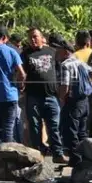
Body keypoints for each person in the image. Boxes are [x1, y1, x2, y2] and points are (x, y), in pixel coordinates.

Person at [19, 28, 62, 160]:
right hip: (33, 96)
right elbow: (20, 72)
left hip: (51, 96)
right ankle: (39, 152)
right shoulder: (25, 54)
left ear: (42, 37)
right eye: (30, 37)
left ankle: (58, 153)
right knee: (35, 126)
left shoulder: (52, 52)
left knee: (54, 126)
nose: (33, 40)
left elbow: (59, 70)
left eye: (35, 37)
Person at [57, 38, 92, 162]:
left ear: (65, 51)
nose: (56, 53)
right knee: (82, 131)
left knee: (71, 132)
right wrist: (89, 85)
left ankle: (76, 160)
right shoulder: (80, 63)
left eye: (58, 50)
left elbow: (65, 85)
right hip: (84, 102)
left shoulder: (65, 65)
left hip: (73, 102)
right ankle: (85, 158)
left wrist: (62, 98)